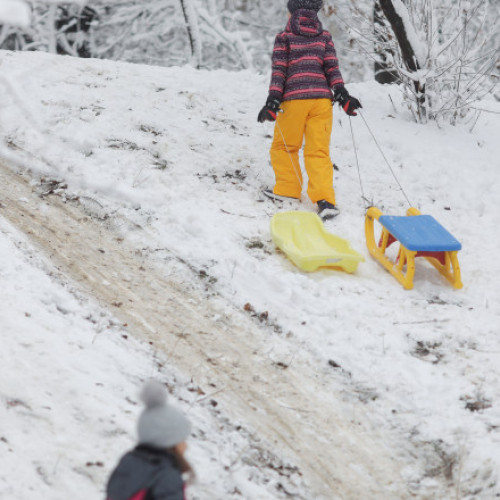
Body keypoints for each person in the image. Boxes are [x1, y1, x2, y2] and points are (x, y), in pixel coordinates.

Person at [258, 0, 362, 220]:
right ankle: (325, 201)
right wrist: (342, 95)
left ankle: (287, 189)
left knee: (284, 146)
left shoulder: (284, 38)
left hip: (293, 100)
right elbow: (332, 68)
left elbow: (280, 71)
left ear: (291, 13)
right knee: (318, 151)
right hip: (322, 101)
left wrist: (273, 101)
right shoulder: (324, 37)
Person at [106, 380, 194, 500]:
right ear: (169, 443)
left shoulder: (130, 460)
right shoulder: (167, 475)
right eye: (182, 440)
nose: (185, 446)